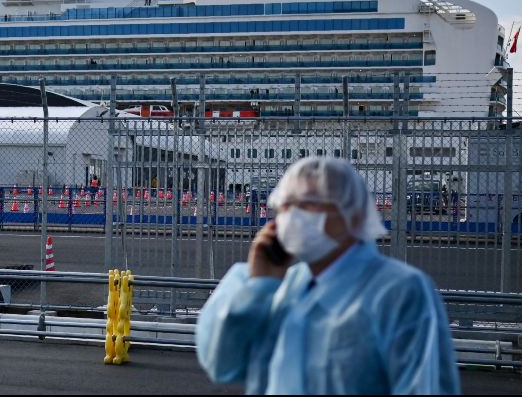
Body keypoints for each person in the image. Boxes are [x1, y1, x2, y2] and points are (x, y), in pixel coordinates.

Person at [196, 156, 460, 395]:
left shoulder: (399, 291)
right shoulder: (285, 287)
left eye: (310, 204)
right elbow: (222, 365)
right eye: (286, 205)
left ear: (354, 216)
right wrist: (258, 284)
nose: (292, 217)